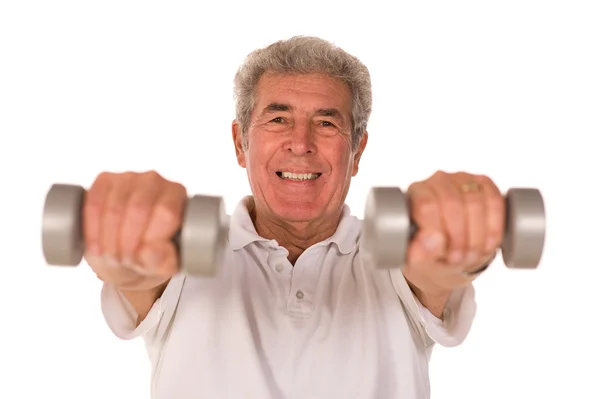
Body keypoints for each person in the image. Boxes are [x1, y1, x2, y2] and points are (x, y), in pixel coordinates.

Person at [86, 36, 503, 398]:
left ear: (357, 152)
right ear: (240, 142)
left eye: (325, 122)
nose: (300, 144)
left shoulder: (393, 254)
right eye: (278, 118)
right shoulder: (182, 252)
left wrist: (457, 237)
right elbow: (134, 276)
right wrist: (119, 242)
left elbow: (436, 272)